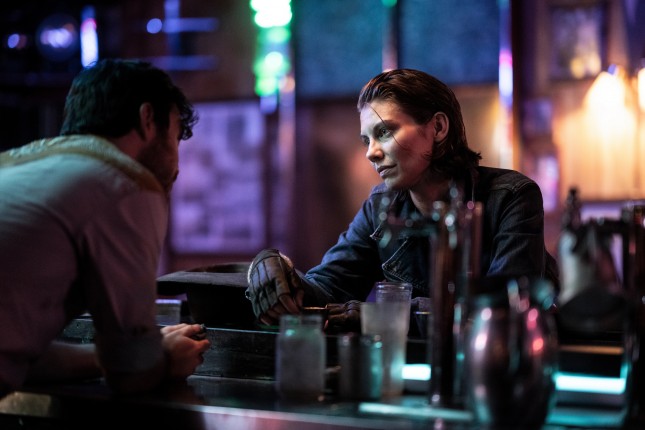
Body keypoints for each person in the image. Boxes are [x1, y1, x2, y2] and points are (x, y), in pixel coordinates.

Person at [246, 68, 559, 328]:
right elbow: (328, 288)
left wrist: (384, 317)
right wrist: (277, 270)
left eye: (384, 132)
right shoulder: (380, 207)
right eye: (366, 140)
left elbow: (504, 311)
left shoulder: (512, 197)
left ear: (438, 127)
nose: (371, 152)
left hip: (499, 370)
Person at [0, 59, 210, 399]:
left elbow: (20, 360)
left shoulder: (14, 165)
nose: (177, 165)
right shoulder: (125, 183)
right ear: (147, 119)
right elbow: (133, 375)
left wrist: (111, 358)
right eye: (174, 136)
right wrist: (166, 358)